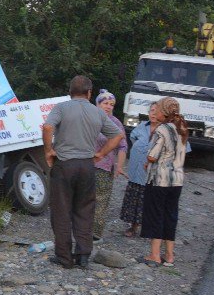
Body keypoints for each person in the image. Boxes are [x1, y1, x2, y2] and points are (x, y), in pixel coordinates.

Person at [43, 76, 125, 268]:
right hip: (87, 166)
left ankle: (64, 257)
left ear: (70, 91)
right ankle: (83, 256)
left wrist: (48, 150)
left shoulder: (61, 108)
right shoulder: (97, 113)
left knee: (62, 211)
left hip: (64, 164)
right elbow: (118, 135)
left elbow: (48, 127)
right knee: (85, 210)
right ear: (89, 93)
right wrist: (101, 154)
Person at [140, 97, 188, 267]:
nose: (155, 111)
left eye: (158, 109)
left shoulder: (162, 129)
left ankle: (154, 255)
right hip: (177, 179)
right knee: (170, 215)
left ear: (164, 112)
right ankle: (169, 255)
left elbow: (153, 154)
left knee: (156, 214)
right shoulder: (182, 127)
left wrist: (148, 160)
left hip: (160, 179)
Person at [92, 89, 128, 241]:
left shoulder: (116, 123)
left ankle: (95, 232)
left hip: (104, 167)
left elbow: (123, 146)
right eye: (105, 103)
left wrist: (119, 166)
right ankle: (80, 228)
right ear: (97, 104)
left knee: (101, 199)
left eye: (111, 104)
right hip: (84, 165)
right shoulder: (89, 119)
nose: (108, 106)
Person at [120, 102, 159, 237]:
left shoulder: (166, 129)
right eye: (151, 110)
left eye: (156, 111)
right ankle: (132, 227)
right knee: (133, 199)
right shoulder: (142, 126)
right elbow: (132, 137)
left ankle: (148, 228)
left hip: (152, 174)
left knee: (149, 200)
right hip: (136, 170)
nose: (153, 113)